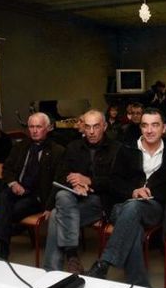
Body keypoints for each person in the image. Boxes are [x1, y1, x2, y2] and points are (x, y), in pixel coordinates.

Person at [86, 108, 166, 286]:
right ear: (140, 128)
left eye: (155, 125)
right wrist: (133, 192)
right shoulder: (127, 150)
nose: (149, 130)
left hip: (153, 208)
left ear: (164, 128)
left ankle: (104, 263)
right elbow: (113, 182)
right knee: (132, 220)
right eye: (145, 125)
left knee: (135, 209)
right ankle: (140, 285)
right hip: (122, 206)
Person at [43, 110, 121, 273]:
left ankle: (54, 269)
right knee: (63, 195)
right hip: (73, 199)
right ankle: (71, 259)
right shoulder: (73, 147)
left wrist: (89, 182)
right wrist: (75, 185)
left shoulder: (116, 149)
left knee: (57, 216)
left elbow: (118, 183)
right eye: (88, 127)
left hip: (100, 202)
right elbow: (61, 175)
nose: (91, 132)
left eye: (96, 127)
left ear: (105, 126)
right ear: (82, 127)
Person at [0, 112, 64, 259]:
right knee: (2, 197)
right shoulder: (20, 146)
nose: (34, 130)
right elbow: (7, 168)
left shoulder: (57, 151)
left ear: (48, 128)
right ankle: (1, 250)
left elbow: (59, 181)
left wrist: (50, 206)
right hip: (17, 188)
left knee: (5, 212)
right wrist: (13, 183)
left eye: (39, 126)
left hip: (37, 196)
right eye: (31, 127)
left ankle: (0, 247)